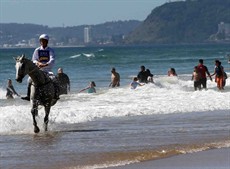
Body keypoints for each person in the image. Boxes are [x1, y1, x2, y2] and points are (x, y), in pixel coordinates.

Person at [21, 34, 56, 101]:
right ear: (40, 42)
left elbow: (52, 60)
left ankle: (55, 94)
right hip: (38, 70)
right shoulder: (37, 50)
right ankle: (28, 95)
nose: (42, 42)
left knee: (53, 79)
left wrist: (45, 64)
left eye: (44, 41)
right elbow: (34, 59)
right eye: (41, 41)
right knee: (29, 79)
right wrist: (38, 63)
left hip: (47, 70)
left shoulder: (50, 50)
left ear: (47, 42)